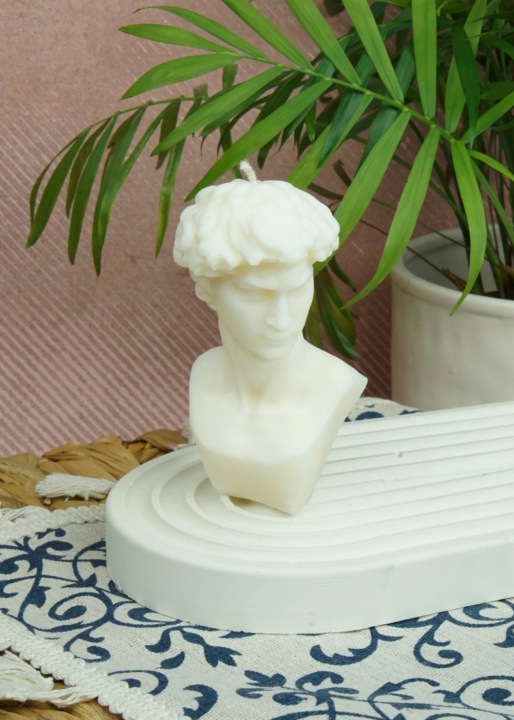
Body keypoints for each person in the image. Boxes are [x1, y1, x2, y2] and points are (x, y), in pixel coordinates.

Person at [174, 169, 367, 514]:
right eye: (254, 294)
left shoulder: (336, 383)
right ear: (208, 289)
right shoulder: (204, 374)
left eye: (297, 289)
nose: (281, 319)